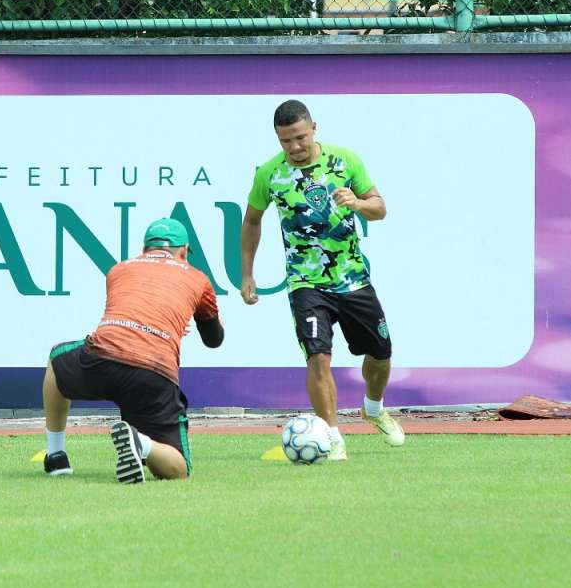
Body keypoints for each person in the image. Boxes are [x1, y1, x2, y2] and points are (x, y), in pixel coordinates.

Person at [240, 99, 404, 461]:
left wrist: (358, 204)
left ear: (314, 127)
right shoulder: (269, 174)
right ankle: (332, 438)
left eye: (300, 137)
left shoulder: (345, 160)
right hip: (305, 283)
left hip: (353, 279)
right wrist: (247, 273)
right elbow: (252, 220)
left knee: (381, 356)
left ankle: (373, 408)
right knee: (317, 357)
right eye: (286, 141)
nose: (295, 147)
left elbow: (380, 208)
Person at [41, 218, 224, 483]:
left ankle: (56, 455)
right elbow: (213, 339)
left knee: (57, 359)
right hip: (153, 373)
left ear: (144, 249)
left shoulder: (119, 270)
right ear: (184, 251)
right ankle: (142, 444)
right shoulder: (198, 278)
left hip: (100, 359)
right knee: (178, 468)